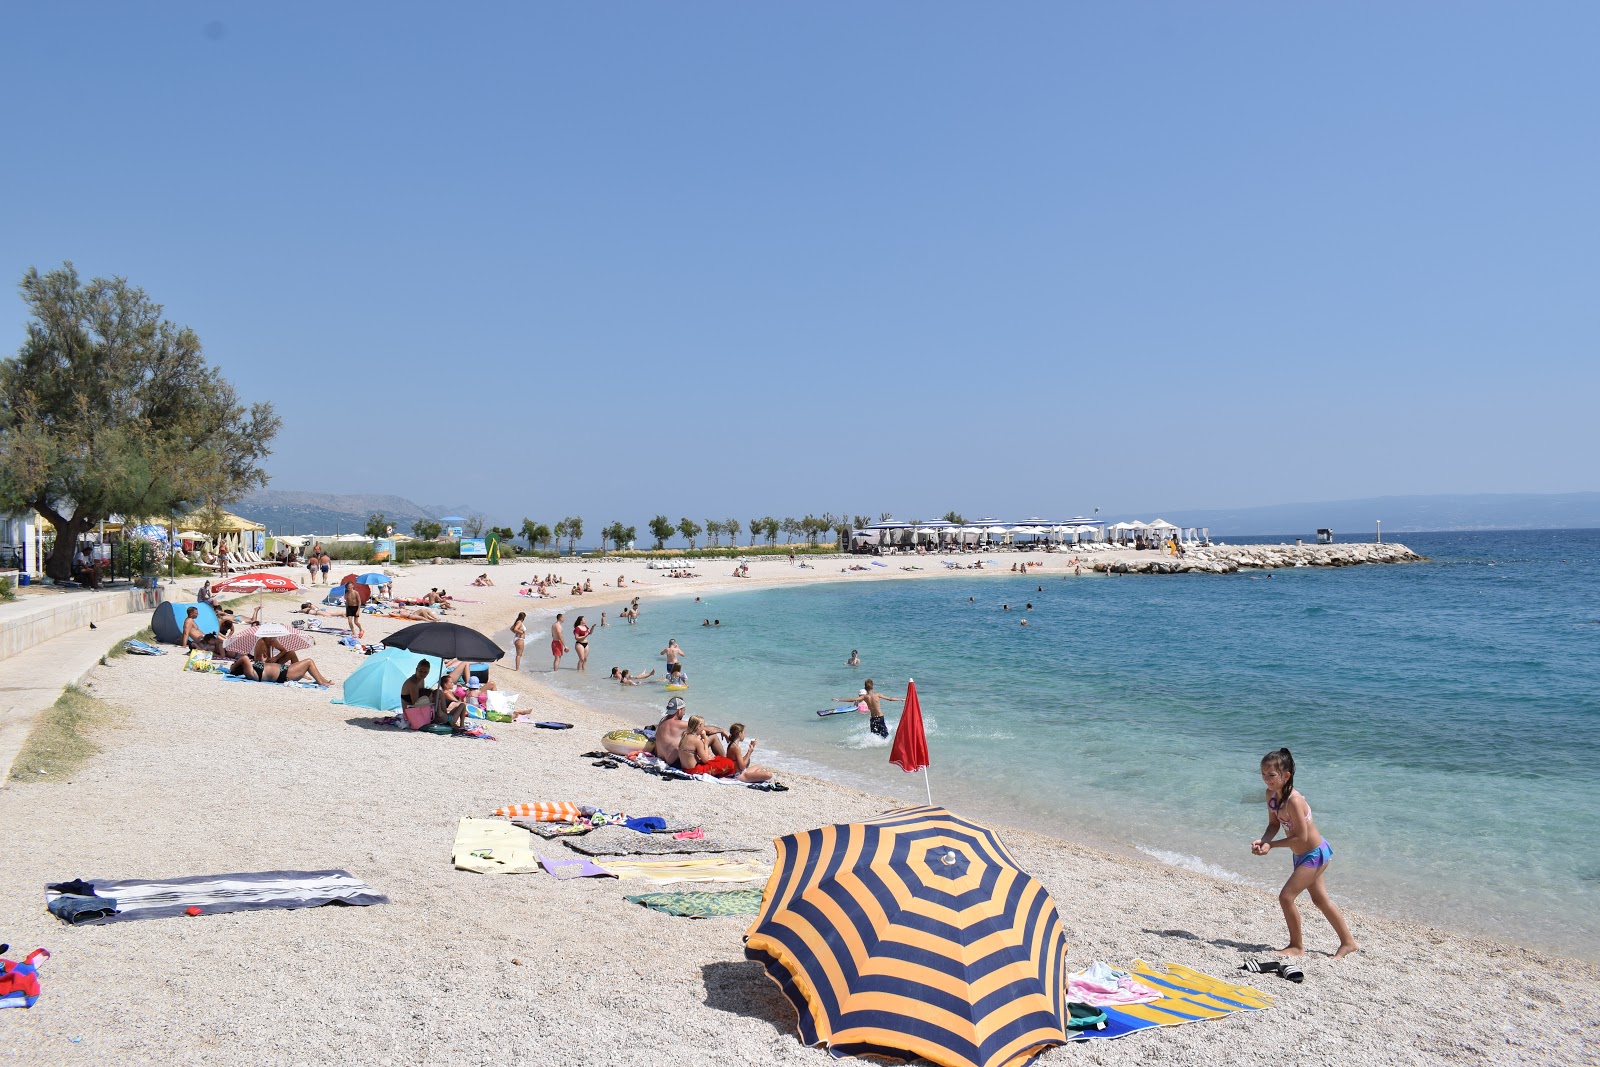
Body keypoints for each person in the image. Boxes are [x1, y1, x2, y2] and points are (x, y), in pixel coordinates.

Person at [1252, 748, 1359, 959]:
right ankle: (1348, 942)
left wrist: (1272, 846)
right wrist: (1264, 841)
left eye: (1271, 775)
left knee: (1286, 897)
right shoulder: (1271, 796)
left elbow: (1301, 837)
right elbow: (1273, 824)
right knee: (1320, 900)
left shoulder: (1294, 800)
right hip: (1300, 855)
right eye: (1263, 774)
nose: (1266, 779)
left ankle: (1296, 946)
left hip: (1314, 854)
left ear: (1286, 775)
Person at [834, 678, 901, 739]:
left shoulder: (865, 697)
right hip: (880, 717)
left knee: (874, 736)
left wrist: (839, 700)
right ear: (873, 687)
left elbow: (853, 699)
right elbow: (890, 699)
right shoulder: (877, 695)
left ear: (865, 688)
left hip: (873, 719)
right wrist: (902, 699)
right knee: (885, 736)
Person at [228, 654, 332, 686]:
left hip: (285, 670)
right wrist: (232, 668)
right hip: (286, 673)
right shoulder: (249, 673)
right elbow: (244, 658)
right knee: (309, 661)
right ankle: (321, 682)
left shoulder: (251, 670)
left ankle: (323, 680)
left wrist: (264, 661)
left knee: (303, 659)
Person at [653, 696, 690, 767]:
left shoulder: (662, 722)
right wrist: (718, 730)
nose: (684, 713)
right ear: (679, 711)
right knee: (712, 737)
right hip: (674, 762)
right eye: (684, 710)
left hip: (661, 757)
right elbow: (704, 728)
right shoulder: (680, 724)